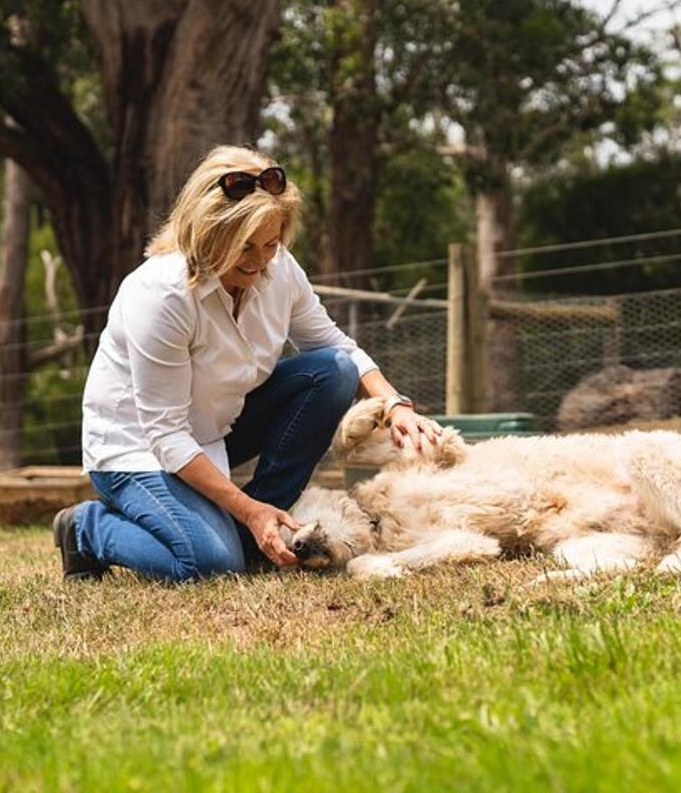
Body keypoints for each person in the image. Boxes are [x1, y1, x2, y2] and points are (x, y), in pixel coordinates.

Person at [51, 144, 440, 582]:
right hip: (138, 450)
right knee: (211, 564)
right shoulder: (161, 295)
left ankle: (250, 529)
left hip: (214, 430)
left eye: (270, 244)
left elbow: (334, 344)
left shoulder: (278, 267)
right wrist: (246, 508)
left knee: (333, 372)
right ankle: (87, 528)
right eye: (244, 248)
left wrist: (394, 404)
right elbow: (165, 434)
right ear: (207, 234)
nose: (260, 262)